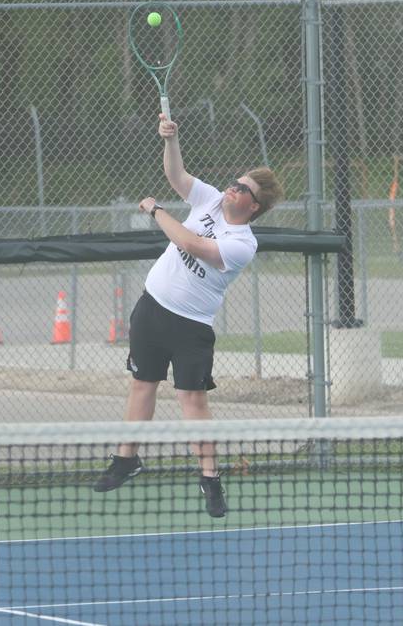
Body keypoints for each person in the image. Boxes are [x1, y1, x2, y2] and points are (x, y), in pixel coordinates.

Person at [93, 113, 284, 517]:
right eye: (235, 181)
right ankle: (127, 460)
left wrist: (156, 210)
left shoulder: (242, 244)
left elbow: (190, 242)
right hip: (152, 307)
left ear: (254, 205)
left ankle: (210, 479)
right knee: (142, 385)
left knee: (192, 399)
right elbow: (177, 175)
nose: (232, 188)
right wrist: (171, 139)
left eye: (242, 188)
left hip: (191, 325)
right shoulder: (210, 198)